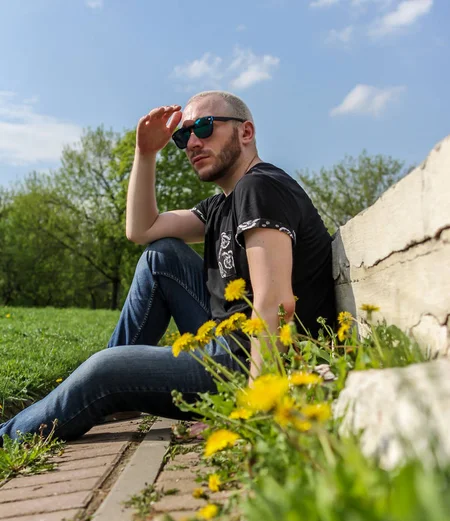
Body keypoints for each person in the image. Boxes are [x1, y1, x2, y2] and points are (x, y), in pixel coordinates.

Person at [0, 91, 335, 443]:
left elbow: (276, 304)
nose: (192, 142)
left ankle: (9, 435)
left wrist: (257, 407)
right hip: (227, 340)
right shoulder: (224, 202)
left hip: (250, 363)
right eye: (183, 135)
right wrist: (145, 154)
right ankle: (120, 395)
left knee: (104, 370)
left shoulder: (260, 187)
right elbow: (142, 230)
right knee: (161, 255)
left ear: (245, 133)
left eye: (204, 127)